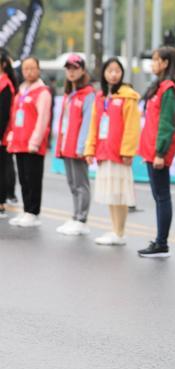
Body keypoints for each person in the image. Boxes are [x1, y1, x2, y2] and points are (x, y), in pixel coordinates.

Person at [84, 58, 141, 246]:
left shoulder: (128, 96)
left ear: (122, 73)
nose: (113, 74)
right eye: (110, 71)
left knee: (120, 194)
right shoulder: (101, 97)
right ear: (104, 74)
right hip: (103, 151)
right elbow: (94, 125)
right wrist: (90, 149)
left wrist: (127, 151)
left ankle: (120, 232)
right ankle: (114, 229)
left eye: (117, 71)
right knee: (110, 192)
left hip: (119, 154)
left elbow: (132, 126)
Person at [137, 47, 175, 258]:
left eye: (156, 60)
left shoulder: (168, 89)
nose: (153, 63)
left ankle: (161, 242)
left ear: (166, 63)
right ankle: (160, 241)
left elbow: (167, 124)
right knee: (159, 196)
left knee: (162, 197)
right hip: (150, 149)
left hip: (158, 152)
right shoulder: (158, 87)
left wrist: (160, 153)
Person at [6, 56, 51, 228]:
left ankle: (33, 212)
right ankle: (26, 210)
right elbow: (14, 116)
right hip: (19, 141)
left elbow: (42, 119)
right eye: (26, 69)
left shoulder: (42, 92)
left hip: (33, 144)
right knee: (24, 179)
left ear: (38, 69)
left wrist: (35, 140)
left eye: (32, 68)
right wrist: (12, 136)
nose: (29, 72)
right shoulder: (22, 90)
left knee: (33, 178)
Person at [55, 54, 95, 236]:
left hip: (77, 147)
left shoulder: (88, 94)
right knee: (72, 183)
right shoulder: (69, 93)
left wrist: (82, 147)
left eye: (75, 68)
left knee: (81, 183)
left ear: (83, 70)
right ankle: (75, 215)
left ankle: (82, 219)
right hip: (66, 145)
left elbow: (87, 123)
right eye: (68, 68)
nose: (71, 72)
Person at [0, 48, 17, 219]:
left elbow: (3, 113)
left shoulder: (6, 85)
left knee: (3, 168)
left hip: (3, 134)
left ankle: (1, 203)